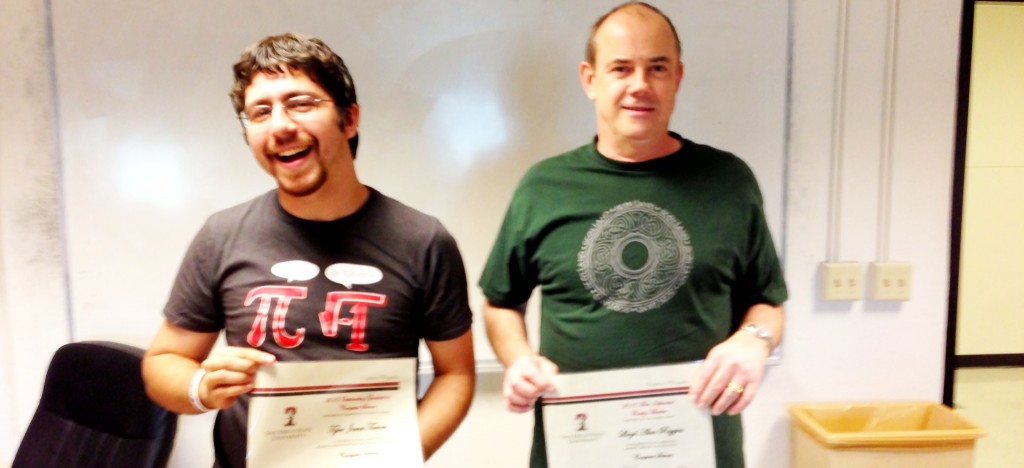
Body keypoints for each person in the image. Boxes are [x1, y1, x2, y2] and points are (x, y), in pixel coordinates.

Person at [142, 32, 475, 467]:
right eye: (260, 111)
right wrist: (199, 387)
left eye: (300, 103)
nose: (280, 126)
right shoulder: (221, 235)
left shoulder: (423, 241)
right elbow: (164, 362)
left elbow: (457, 374)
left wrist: (398, 457)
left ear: (349, 119)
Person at [479, 3, 787, 467]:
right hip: (577, 448)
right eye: (621, 68)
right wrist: (518, 358)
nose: (640, 85)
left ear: (677, 78)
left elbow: (767, 300)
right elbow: (501, 301)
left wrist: (755, 339)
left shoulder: (728, 182)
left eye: (657, 68)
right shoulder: (543, 188)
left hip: (697, 445)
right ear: (590, 79)